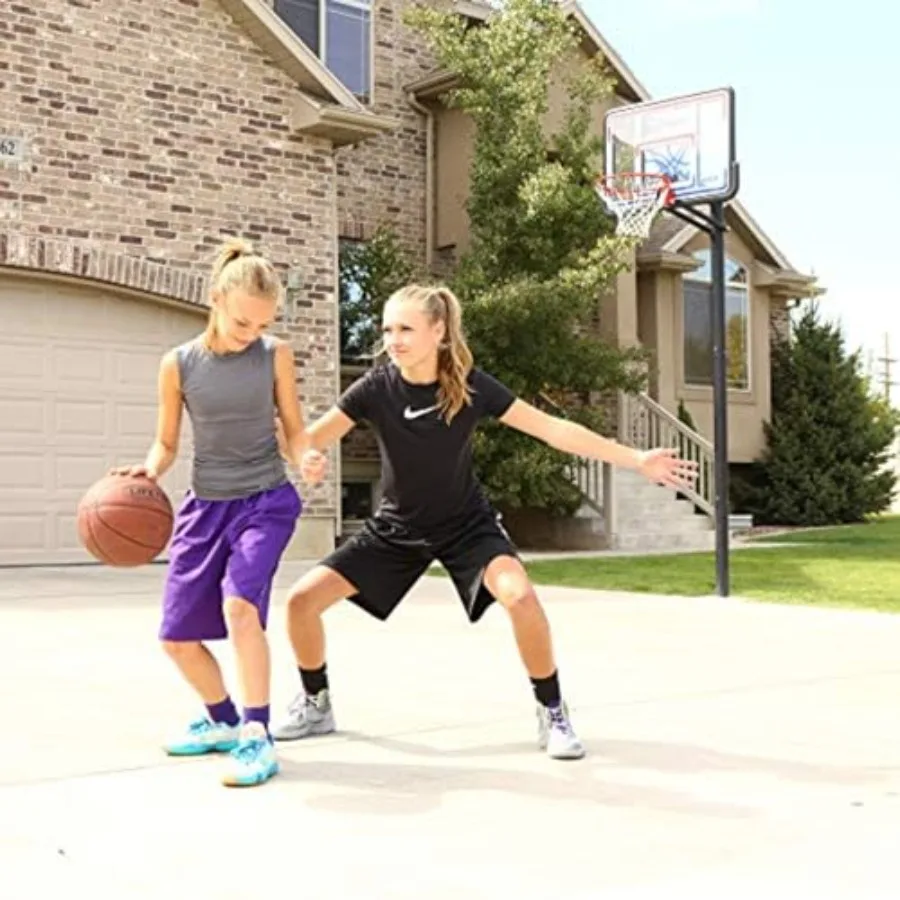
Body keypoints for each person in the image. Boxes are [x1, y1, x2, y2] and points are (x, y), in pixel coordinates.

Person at [271, 283, 697, 760]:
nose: (394, 339)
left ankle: (552, 710)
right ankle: (316, 703)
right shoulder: (376, 387)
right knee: (302, 601)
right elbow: (308, 439)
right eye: (388, 329)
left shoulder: (471, 386)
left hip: (465, 525)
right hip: (396, 529)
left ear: (438, 331)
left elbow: (553, 429)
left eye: (406, 328)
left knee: (521, 597)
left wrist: (636, 458)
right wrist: (306, 456)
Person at [113, 238, 310, 788]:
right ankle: (222, 720)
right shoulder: (178, 364)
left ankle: (256, 735)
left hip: (266, 501)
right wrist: (149, 471)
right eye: (244, 322)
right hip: (204, 507)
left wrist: (307, 454)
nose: (253, 333)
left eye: (262, 324)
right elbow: (167, 442)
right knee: (175, 637)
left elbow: (293, 430)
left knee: (241, 608)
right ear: (217, 299)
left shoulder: (276, 355)